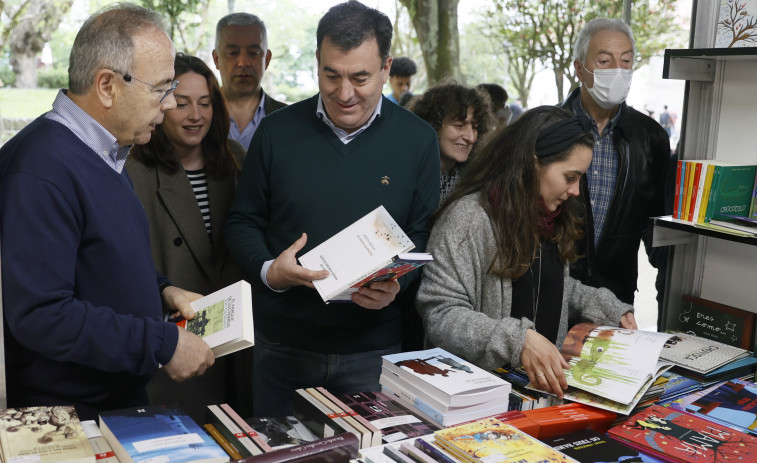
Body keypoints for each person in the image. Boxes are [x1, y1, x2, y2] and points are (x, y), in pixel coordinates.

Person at [224, 0, 440, 416]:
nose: (344, 94)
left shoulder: (418, 140)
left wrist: (398, 286)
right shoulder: (276, 132)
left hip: (373, 349)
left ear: (385, 68)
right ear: (318, 65)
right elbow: (242, 221)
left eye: (360, 77)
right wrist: (271, 271)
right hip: (283, 346)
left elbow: (422, 233)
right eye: (331, 75)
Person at [0, 3, 213, 420]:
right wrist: (161, 343)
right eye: (162, 88)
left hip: (112, 403)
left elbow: (97, 261)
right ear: (107, 86)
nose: (170, 105)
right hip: (72, 420)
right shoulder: (39, 169)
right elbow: (41, 314)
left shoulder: (103, 153)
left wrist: (160, 291)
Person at [416, 106, 636, 398]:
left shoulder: (550, 215)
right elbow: (442, 315)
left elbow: (547, 286)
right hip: (476, 399)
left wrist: (605, 306)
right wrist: (518, 341)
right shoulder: (468, 219)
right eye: (570, 176)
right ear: (533, 165)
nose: (576, 191)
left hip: (535, 396)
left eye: (580, 178)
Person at [126, 53, 249, 421]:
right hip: (173, 333)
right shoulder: (133, 168)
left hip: (233, 335)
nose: (196, 115)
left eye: (205, 103)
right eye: (182, 103)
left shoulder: (235, 158)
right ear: (162, 103)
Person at [560, 17, 669, 306]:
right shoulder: (547, 128)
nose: (618, 71)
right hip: (551, 289)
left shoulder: (651, 138)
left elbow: (655, 221)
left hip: (615, 298)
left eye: (626, 61)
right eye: (606, 61)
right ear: (579, 69)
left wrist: (671, 278)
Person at [408, 82, 495, 204]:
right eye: (459, 126)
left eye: (475, 127)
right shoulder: (402, 174)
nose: (471, 138)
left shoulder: (476, 181)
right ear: (432, 125)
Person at [213, 12, 286, 151]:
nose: (243, 63)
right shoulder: (197, 116)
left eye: (253, 53)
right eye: (232, 53)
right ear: (216, 59)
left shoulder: (289, 119)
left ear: (267, 59)